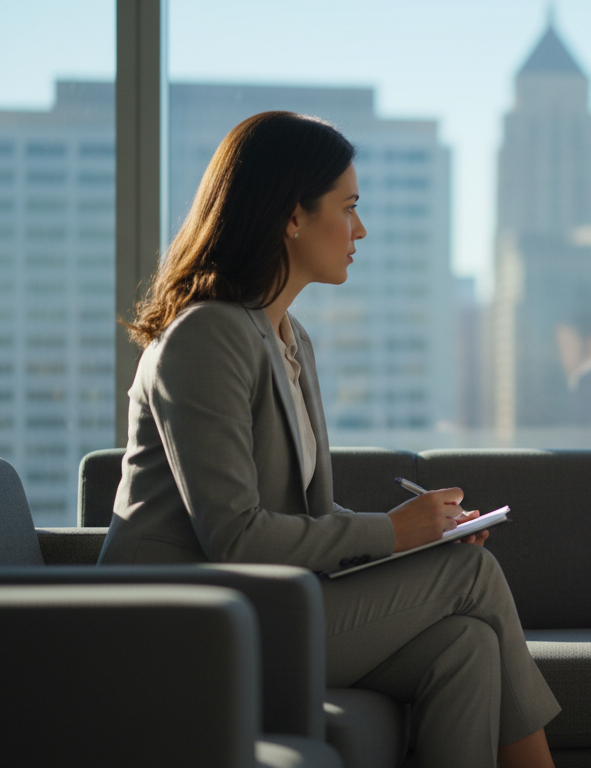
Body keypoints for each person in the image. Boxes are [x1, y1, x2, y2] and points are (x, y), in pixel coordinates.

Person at [98, 111, 560, 767]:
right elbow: (236, 537)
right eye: (348, 208)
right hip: (185, 626)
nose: (360, 230)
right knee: (472, 573)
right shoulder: (206, 337)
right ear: (292, 217)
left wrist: (425, 533)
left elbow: (304, 518)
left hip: (264, 605)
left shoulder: (288, 339)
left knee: (467, 646)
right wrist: (396, 534)